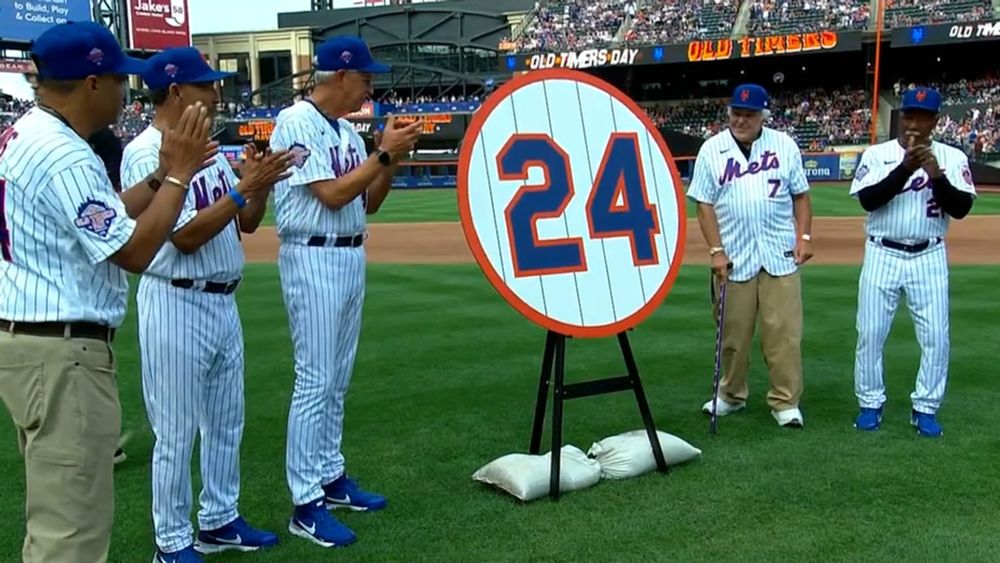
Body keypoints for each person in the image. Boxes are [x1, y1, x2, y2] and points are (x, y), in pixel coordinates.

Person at [0, 21, 215, 562]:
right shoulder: (65, 154)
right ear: (92, 82)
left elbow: (104, 218)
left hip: (32, 343)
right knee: (70, 533)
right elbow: (136, 252)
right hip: (61, 353)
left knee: (55, 516)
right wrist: (178, 177)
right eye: (119, 79)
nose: (126, 91)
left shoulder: (31, 134)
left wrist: (158, 176)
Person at [121, 47, 295, 562]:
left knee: (226, 421)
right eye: (205, 86)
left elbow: (247, 223)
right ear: (175, 92)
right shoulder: (146, 151)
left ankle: (218, 519)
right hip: (175, 300)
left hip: (222, 301)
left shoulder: (209, 149)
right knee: (175, 431)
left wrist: (256, 187)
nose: (216, 93)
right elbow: (184, 238)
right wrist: (244, 190)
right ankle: (170, 541)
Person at [268, 35, 421, 548]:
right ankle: (304, 502)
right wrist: (382, 152)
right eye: (365, 76)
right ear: (339, 75)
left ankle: (330, 477)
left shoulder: (350, 136)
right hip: (312, 255)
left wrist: (391, 158)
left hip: (350, 253)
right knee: (314, 378)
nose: (370, 84)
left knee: (336, 379)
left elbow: (368, 202)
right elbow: (331, 195)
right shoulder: (295, 122)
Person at [849, 87, 976, 437]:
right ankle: (870, 403)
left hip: (929, 254)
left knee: (936, 336)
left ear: (935, 121)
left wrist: (935, 174)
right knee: (871, 333)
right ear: (901, 117)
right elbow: (869, 200)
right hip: (882, 251)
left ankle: (926, 408)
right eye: (909, 116)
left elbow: (961, 209)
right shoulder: (878, 155)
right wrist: (906, 168)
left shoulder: (952, 157)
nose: (915, 124)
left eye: (923, 117)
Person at [687, 83, 814, 428]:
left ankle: (785, 401)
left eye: (749, 114)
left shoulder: (784, 145)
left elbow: (801, 196)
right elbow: (704, 204)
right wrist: (715, 251)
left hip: (779, 255)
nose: (741, 119)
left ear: (763, 115)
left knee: (784, 335)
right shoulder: (712, 149)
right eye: (736, 113)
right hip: (734, 257)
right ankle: (730, 395)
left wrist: (803, 237)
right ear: (728, 112)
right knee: (732, 335)